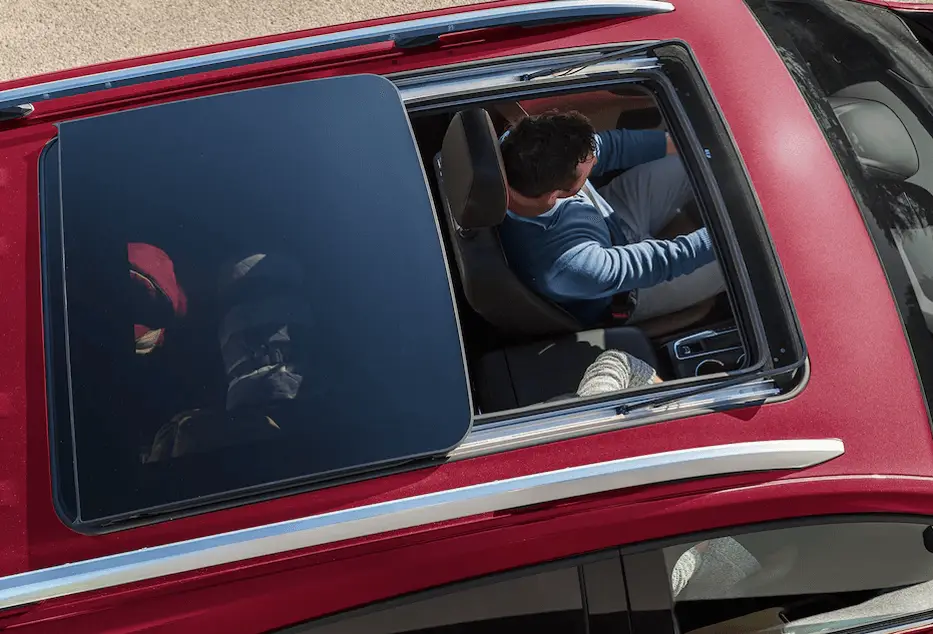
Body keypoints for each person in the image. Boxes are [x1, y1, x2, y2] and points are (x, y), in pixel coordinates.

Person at [498, 111, 724, 327]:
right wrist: (730, 232)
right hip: (625, 289)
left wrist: (689, 143)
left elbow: (608, 146)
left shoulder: (516, 148)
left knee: (701, 161)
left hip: (611, 217)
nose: (596, 159)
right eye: (589, 168)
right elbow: (665, 261)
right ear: (556, 195)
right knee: (741, 260)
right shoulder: (568, 266)